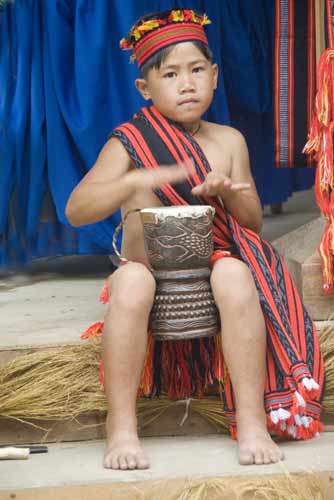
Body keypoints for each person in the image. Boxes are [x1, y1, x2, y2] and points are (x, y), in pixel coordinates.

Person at [65, 9, 325, 471]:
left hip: (212, 262)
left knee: (235, 273)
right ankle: (121, 426)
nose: (187, 84)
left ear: (216, 75)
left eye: (197, 70)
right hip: (147, 267)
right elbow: (77, 208)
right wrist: (133, 181)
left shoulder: (228, 142)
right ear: (145, 88)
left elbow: (251, 225)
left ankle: (250, 421)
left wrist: (229, 190)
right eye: (170, 74)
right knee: (130, 286)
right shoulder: (129, 143)